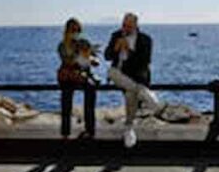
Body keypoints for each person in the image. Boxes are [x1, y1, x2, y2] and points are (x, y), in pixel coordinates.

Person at [104, 13, 159, 148]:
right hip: (119, 75)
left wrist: (129, 50)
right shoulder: (116, 35)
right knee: (111, 72)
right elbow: (107, 56)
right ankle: (143, 92)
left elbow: (144, 62)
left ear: (135, 25)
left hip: (136, 76)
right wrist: (116, 48)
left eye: (128, 26)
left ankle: (129, 129)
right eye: (124, 25)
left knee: (130, 94)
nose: (125, 28)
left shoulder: (145, 39)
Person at [57, 18, 97, 139]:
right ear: (67, 31)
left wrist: (91, 59)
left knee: (91, 90)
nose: (76, 33)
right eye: (73, 30)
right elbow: (67, 61)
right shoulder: (62, 46)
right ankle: (65, 132)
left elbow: (94, 59)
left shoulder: (84, 42)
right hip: (68, 75)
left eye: (78, 30)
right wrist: (80, 55)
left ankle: (89, 130)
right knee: (66, 98)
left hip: (82, 74)